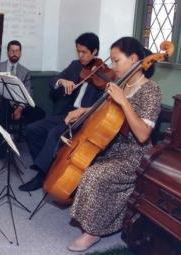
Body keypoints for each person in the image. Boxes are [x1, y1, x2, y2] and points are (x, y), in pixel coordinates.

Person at [67, 37, 161, 252]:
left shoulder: (151, 90)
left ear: (134, 59)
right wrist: (83, 111)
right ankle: (91, 216)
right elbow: (104, 114)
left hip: (135, 155)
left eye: (117, 61)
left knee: (94, 175)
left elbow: (143, 134)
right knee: (80, 161)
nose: (113, 66)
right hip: (111, 146)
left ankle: (93, 232)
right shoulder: (121, 84)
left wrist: (124, 101)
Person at [19, 32, 104, 191]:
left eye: (84, 52)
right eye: (78, 51)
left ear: (95, 51)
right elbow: (53, 81)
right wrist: (61, 81)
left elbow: (102, 105)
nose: (80, 55)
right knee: (32, 129)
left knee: (54, 133)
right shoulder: (75, 65)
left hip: (84, 118)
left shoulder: (104, 74)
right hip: (66, 114)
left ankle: (41, 177)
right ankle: (44, 165)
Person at [0, 40, 45, 158]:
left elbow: (28, 94)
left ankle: (36, 149)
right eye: (12, 50)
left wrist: (20, 108)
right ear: (8, 52)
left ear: (20, 53)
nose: (15, 53)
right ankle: (2, 149)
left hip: (19, 105)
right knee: (0, 109)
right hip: (3, 103)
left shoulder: (25, 72)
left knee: (40, 113)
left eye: (17, 51)